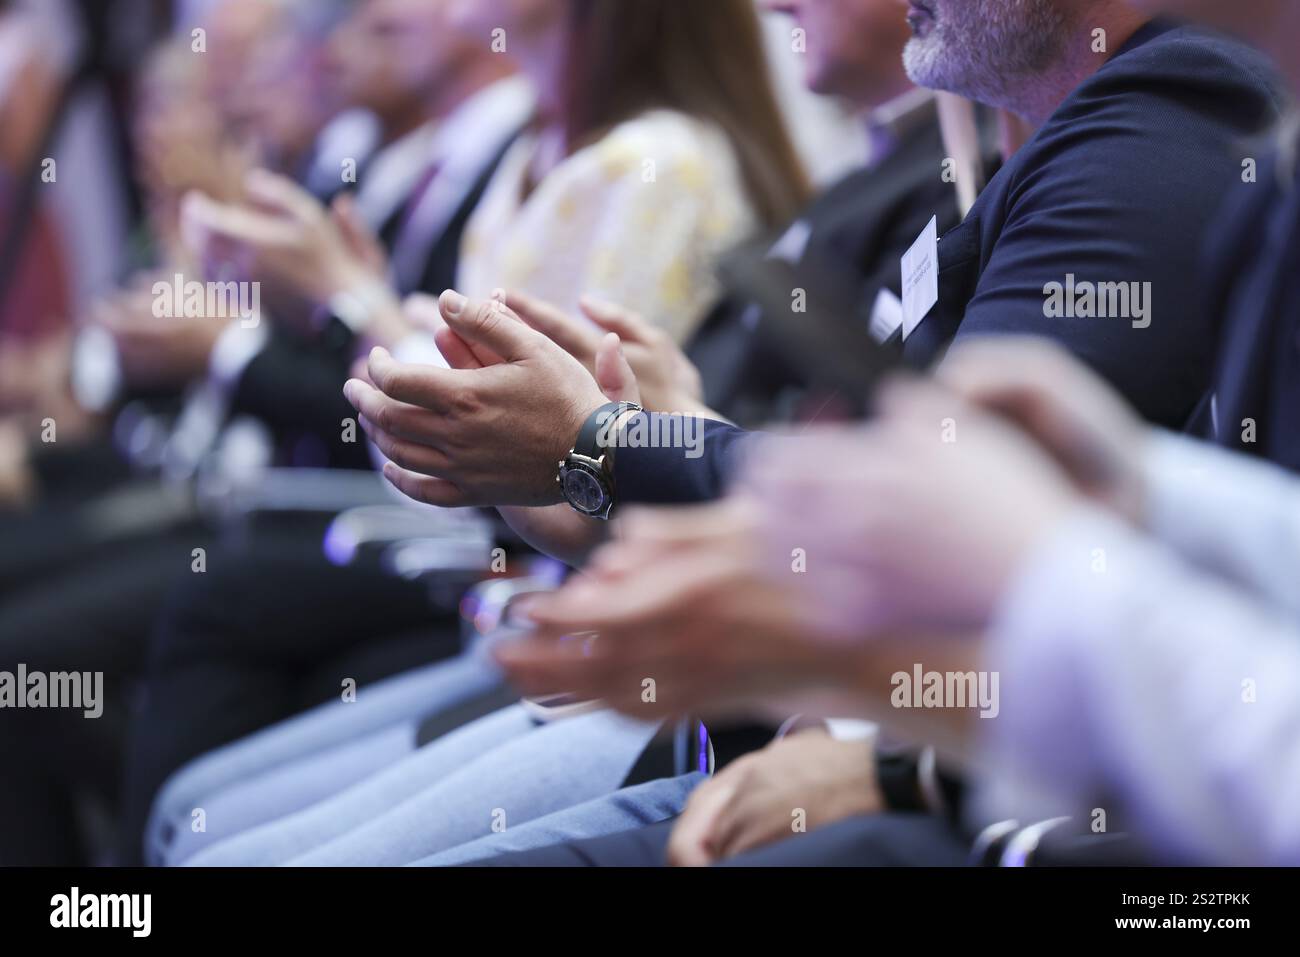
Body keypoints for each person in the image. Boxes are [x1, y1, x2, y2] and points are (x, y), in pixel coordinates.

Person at [148, 0, 808, 867]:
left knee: (212, 810)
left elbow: (539, 437)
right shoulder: (532, 156)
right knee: (192, 807)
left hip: (595, 627)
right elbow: (518, 434)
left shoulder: (658, 162)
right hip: (519, 586)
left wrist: (349, 304)